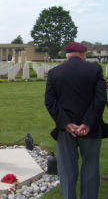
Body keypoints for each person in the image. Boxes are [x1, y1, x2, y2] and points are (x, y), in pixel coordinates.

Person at [45, 42, 108, 199]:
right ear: (82, 54)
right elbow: (100, 99)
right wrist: (87, 123)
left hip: (66, 130)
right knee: (91, 167)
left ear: (68, 54)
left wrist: (66, 123)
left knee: (67, 170)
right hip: (91, 128)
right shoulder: (95, 69)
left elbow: (50, 102)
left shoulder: (54, 72)